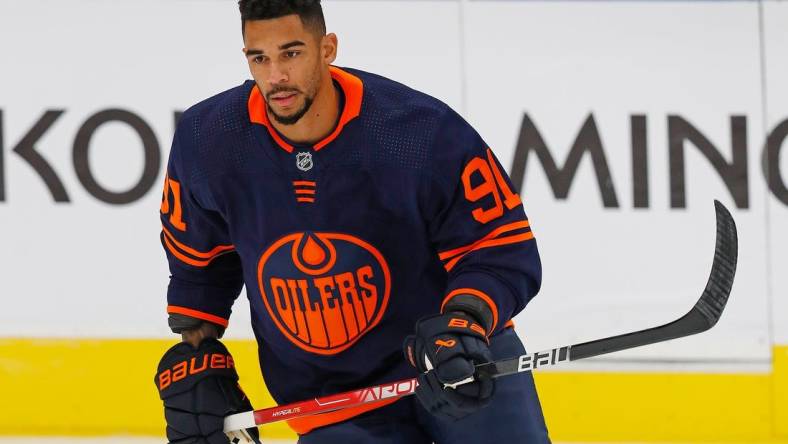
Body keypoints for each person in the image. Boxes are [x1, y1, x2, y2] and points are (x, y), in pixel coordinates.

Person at [154, 1, 550, 442]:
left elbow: (498, 247)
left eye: (291, 53)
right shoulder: (207, 141)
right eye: (259, 58)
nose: (275, 77)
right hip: (330, 396)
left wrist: (464, 321)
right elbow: (200, 264)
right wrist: (196, 354)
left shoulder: (419, 133)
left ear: (327, 49)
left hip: (454, 363)